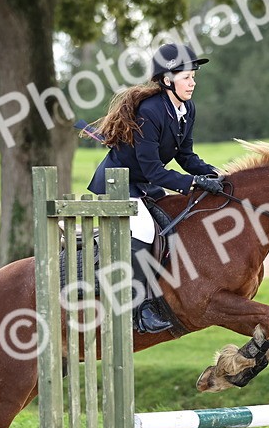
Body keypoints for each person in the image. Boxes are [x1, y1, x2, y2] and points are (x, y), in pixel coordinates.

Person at [84, 43, 224, 334]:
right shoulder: (150, 111)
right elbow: (153, 170)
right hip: (118, 183)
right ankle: (136, 310)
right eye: (187, 76)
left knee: (173, 222)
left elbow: (186, 156)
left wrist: (216, 174)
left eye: (194, 76)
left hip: (144, 183)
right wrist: (193, 183)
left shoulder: (186, 108)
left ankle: (162, 293)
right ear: (167, 79)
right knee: (147, 230)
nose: (193, 81)